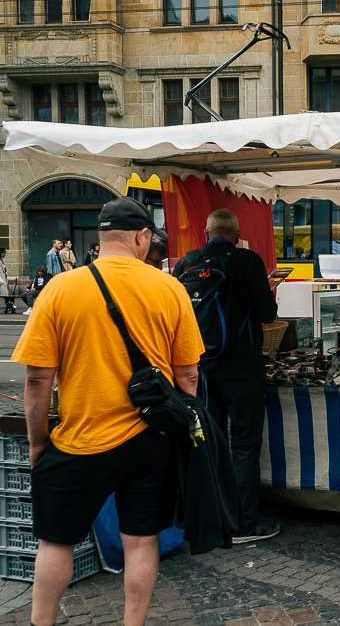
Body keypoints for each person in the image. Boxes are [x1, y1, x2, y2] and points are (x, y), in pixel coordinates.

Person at [13, 196, 202, 626]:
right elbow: (188, 375)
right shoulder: (169, 287)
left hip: (80, 440)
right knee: (140, 541)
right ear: (140, 237)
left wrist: (39, 443)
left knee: (56, 542)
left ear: (100, 239)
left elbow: (38, 380)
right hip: (149, 442)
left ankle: (41, 622)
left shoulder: (60, 288)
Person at [172, 209, 279, 543]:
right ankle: (245, 526)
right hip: (243, 371)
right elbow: (268, 313)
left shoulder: (186, 263)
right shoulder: (248, 261)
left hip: (199, 371)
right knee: (245, 447)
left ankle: (213, 521)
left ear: (206, 232)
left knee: (211, 446)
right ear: (237, 233)